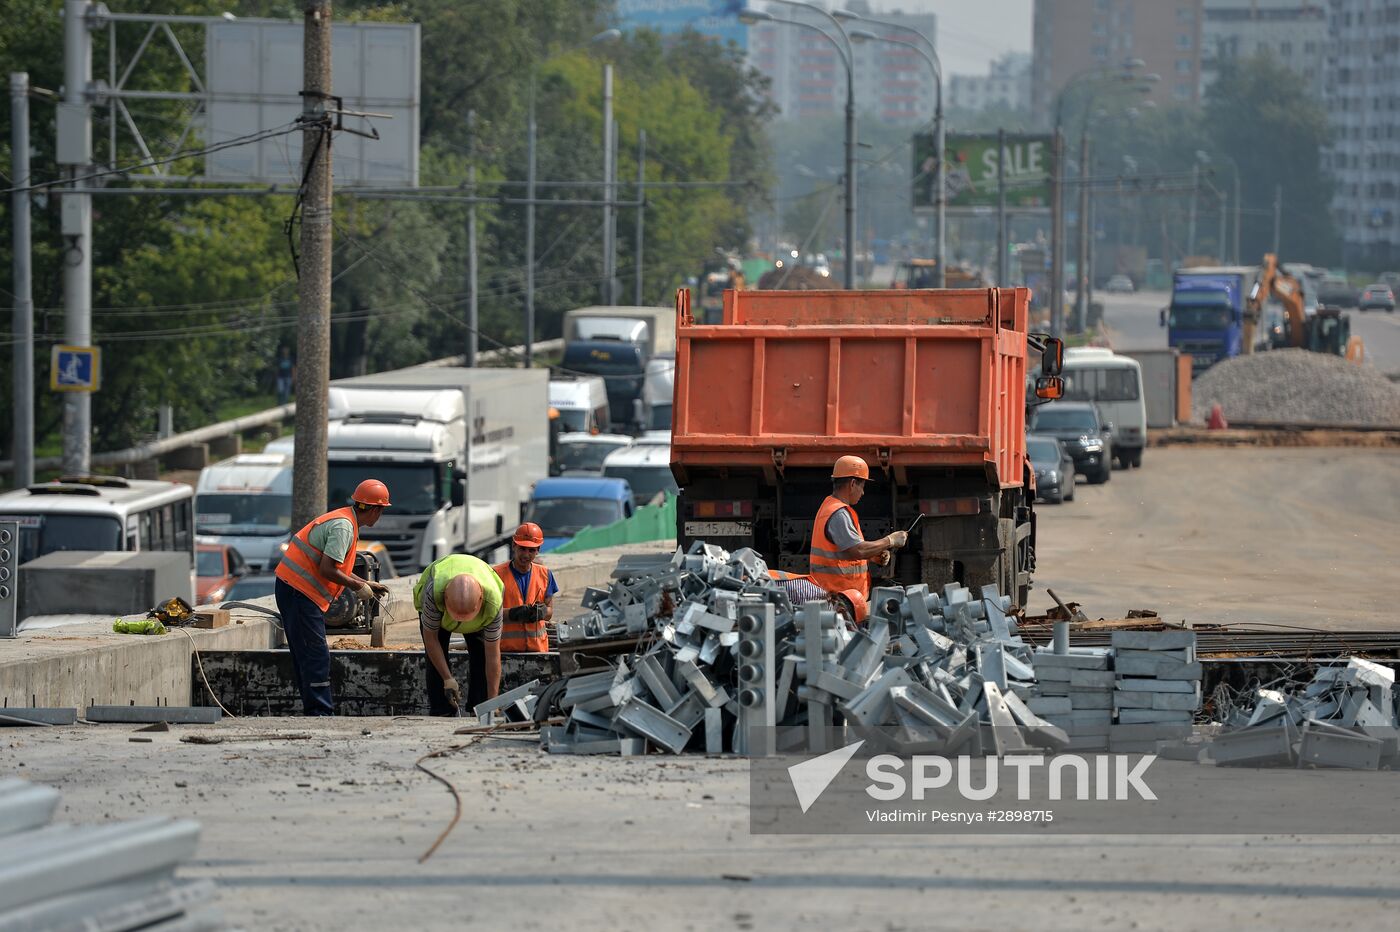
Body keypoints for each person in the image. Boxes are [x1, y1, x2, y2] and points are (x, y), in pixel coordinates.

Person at [273, 479, 391, 715]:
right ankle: (320, 712)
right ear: (375, 510)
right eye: (381, 510)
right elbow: (327, 569)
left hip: (294, 590)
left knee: (306, 653)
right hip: (298, 592)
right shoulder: (344, 527)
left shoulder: (346, 521)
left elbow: (337, 568)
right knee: (315, 653)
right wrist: (357, 587)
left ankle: (314, 709)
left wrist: (365, 583)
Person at [415, 553, 504, 716]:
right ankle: (442, 710)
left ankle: (481, 707)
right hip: (439, 612)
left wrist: (493, 701)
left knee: (481, 654)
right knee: (435, 659)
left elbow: (493, 656)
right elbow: (431, 640)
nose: (460, 621)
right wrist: (447, 679)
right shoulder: (433, 592)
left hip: (479, 616)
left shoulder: (493, 603)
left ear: (480, 600)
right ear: (445, 597)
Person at [809, 455, 907, 598]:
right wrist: (890, 540)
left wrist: (872, 555)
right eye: (862, 486)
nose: (863, 492)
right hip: (839, 598)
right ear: (853, 484)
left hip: (836, 596)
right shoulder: (839, 513)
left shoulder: (829, 506)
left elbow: (844, 551)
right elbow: (857, 550)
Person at [494, 522, 557, 652]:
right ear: (514, 546)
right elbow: (489, 615)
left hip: (538, 649)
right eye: (522, 548)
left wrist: (542, 612)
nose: (526, 555)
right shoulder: (497, 575)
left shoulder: (545, 574)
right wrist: (514, 613)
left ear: (538, 550)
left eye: (531, 550)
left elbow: (549, 611)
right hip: (506, 650)